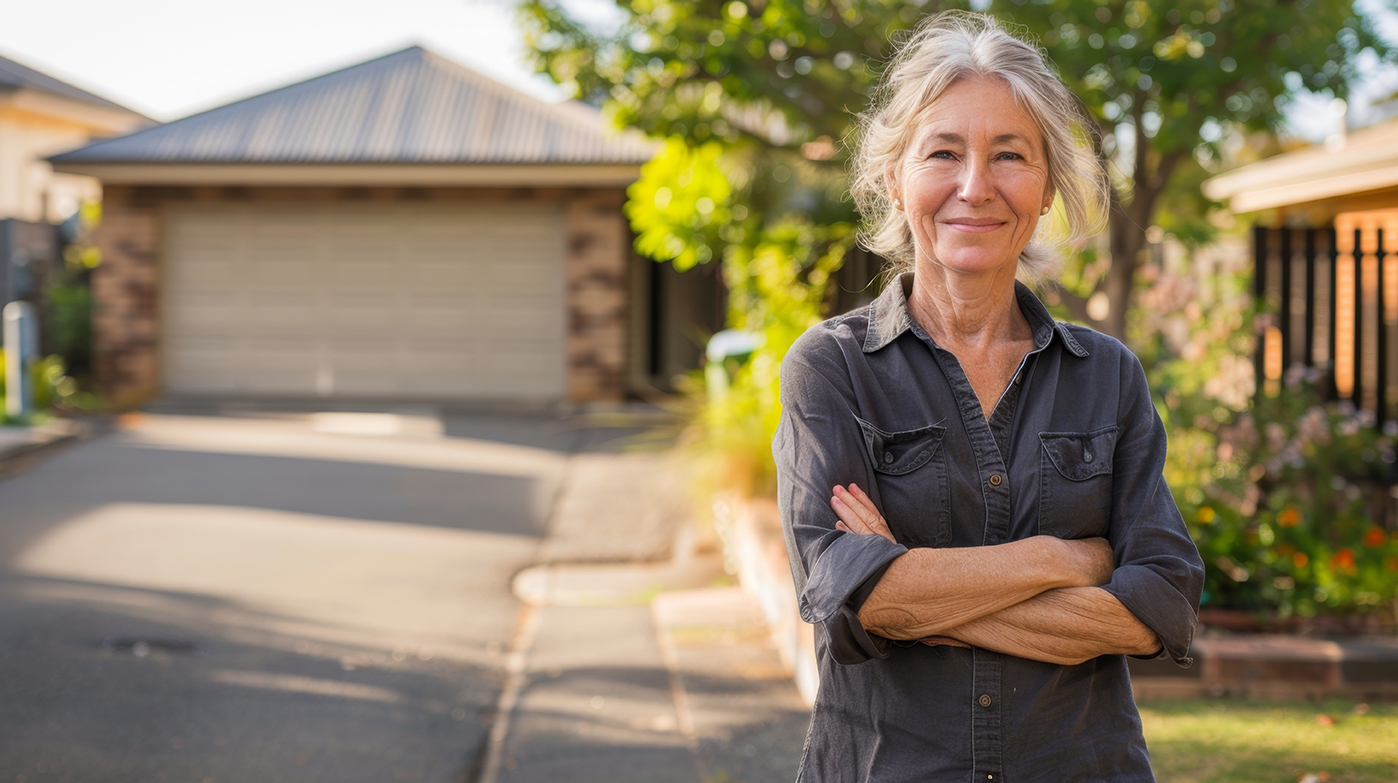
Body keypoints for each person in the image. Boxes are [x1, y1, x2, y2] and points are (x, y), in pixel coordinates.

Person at [772, 11, 1205, 782]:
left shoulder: (1107, 376)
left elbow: (1160, 604)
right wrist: (1065, 558)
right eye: (944, 152)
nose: (976, 187)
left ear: (1045, 191)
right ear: (895, 178)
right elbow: (852, 603)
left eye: (1010, 155)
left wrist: (913, 584)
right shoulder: (833, 368)